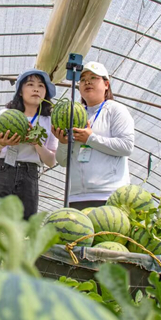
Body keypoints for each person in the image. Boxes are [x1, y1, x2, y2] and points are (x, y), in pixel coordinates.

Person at [53, 61, 135, 210]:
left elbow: (126, 146)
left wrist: (90, 139)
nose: (87, 82)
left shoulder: (116, 110)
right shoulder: (73, 115)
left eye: (93, 77)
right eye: (83, 79)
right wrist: (63, 142)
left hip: (110, 196)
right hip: (76, 197)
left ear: (106, 84)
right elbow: (62, 161)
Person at [0, 69, 58, 219]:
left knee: (25, 225)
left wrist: (37, 143)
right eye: (30, 84)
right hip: (3, 171)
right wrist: (1, 143)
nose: (36, 89)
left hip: (29, 176)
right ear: (20, 92)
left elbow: (51, 161)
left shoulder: (49, 121)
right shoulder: (5, 114)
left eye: (41, 86)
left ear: (45, 94)